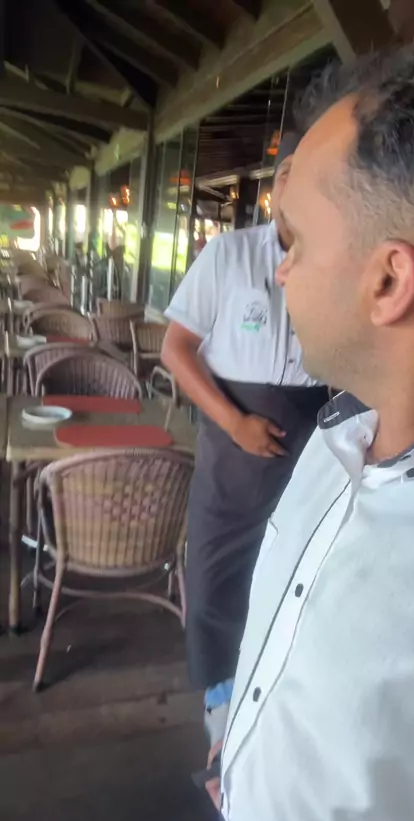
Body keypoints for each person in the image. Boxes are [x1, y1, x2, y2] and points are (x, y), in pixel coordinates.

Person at [216, 44, 414, 821]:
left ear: (389, 281)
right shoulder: (337, 437)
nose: (281, 274)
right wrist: (244, 747)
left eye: (294, 243)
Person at [161, 134, 329, 748]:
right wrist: (235, 423)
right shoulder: (228, 255)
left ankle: (270, 691)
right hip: (234, 433)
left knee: (286, 567)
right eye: (291, 174)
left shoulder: (336, 260)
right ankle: (220, 700)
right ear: (278, 184)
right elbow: (175, 349)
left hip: (309, 434)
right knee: (216, 565)